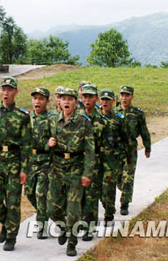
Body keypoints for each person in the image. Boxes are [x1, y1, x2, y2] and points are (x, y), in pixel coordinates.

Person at [0, 76, 30, 251]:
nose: (6, 93)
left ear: (16, 92)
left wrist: (25, 169)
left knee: (13, 202)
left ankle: (11, 236)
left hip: (14, 162)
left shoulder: (22, 116)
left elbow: (26, 144)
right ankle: (5, 222)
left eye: (10, 89)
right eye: (4, 89)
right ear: (0, 91)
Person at [47, 87, 94, 257]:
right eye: (63, 98)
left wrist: (87, 173)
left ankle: (72, 242)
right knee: (51, 209)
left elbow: (90, 150)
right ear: (59, 101)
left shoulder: (83, 122)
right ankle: (62, 227)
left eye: (70, 99)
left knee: (73, 210)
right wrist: (48, 143)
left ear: (76, 102)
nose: (66, 102)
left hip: (75, 169)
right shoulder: (52, 121)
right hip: (57, 169)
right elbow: (39, 143)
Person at [115, 85, 151, 215]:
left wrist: (147, 147)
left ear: (132, 97)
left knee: (128, 177)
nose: (124, 98)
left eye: (127, 95)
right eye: (122, 95)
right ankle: (123, 190)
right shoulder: (114, 112)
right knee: (118, 177)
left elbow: (144, 131)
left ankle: (124, 203)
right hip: (116, 150)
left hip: (130, 149)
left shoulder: (137, 113)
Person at [24, 87, 55, 239]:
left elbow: (56, 138)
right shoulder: (27, 118)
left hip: (45, 162)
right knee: (29, 192)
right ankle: (43, 212)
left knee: (40, 193)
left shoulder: (51, 119)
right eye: (35, 98)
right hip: (30, 162)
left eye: (41, 99)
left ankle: (41, 225)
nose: (37, 101)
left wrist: (50, 142)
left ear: (47, 101)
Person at [79, 84, 109, 241]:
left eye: (91, 97)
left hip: (96, 164)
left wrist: (109, 170)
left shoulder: (102, 121)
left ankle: (89, 228)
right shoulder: (76, 117)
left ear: (96, 98)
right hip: (78, 163)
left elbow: (108, 148)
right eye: (85, 97)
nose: (87, 100)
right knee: (79, 196)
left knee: (91, 197)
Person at [98, 89, 128, 223]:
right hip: (97, 158)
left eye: (108, 100)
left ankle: (109, 214)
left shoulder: (118, 119)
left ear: (113, 101)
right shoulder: (94, 118)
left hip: (112, 159)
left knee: (109, 188)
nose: (105, 102)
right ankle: (106, 205)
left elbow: (125, 139)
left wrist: (123, 157)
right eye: (103, 99)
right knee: (98, 189)